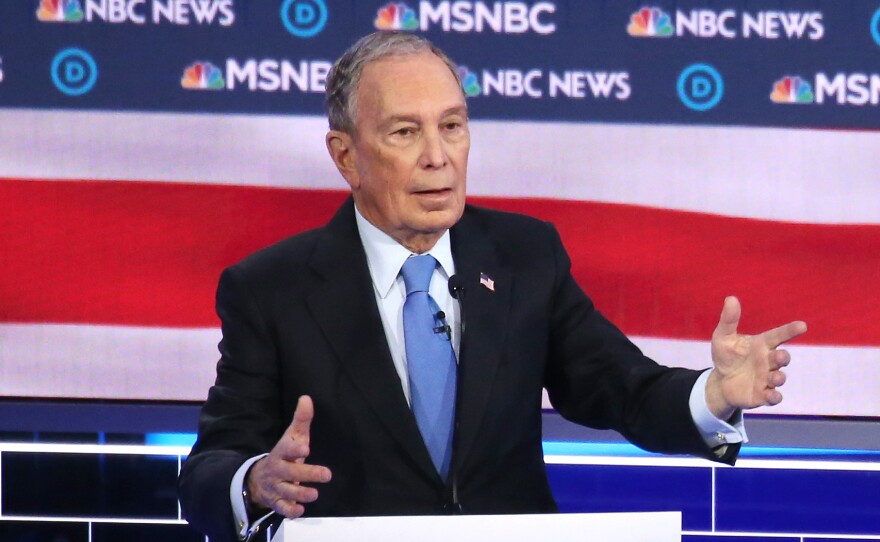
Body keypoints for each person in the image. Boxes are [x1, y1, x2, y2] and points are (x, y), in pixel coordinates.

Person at [178, 31, 807, 542]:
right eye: (404, 132)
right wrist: (256, 480)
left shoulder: (524, 257)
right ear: (346, 156)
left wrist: (715, 393)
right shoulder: (272, 289)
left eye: (452, 125)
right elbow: (206, 472)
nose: (438, 156)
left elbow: (622, 389)